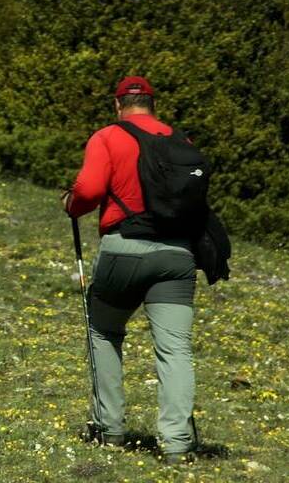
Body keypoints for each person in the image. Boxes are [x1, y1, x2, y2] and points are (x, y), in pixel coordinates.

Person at [63, 77, 199, 464]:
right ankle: (176, 444)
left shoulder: (108, 137)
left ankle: (110, 429)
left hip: (124, 247)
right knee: (174, 349)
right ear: (152, 104)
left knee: (103, 329)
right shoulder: (180, 141)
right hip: (177, 254)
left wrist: (71, 204)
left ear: (118, 104)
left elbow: (88, 191)